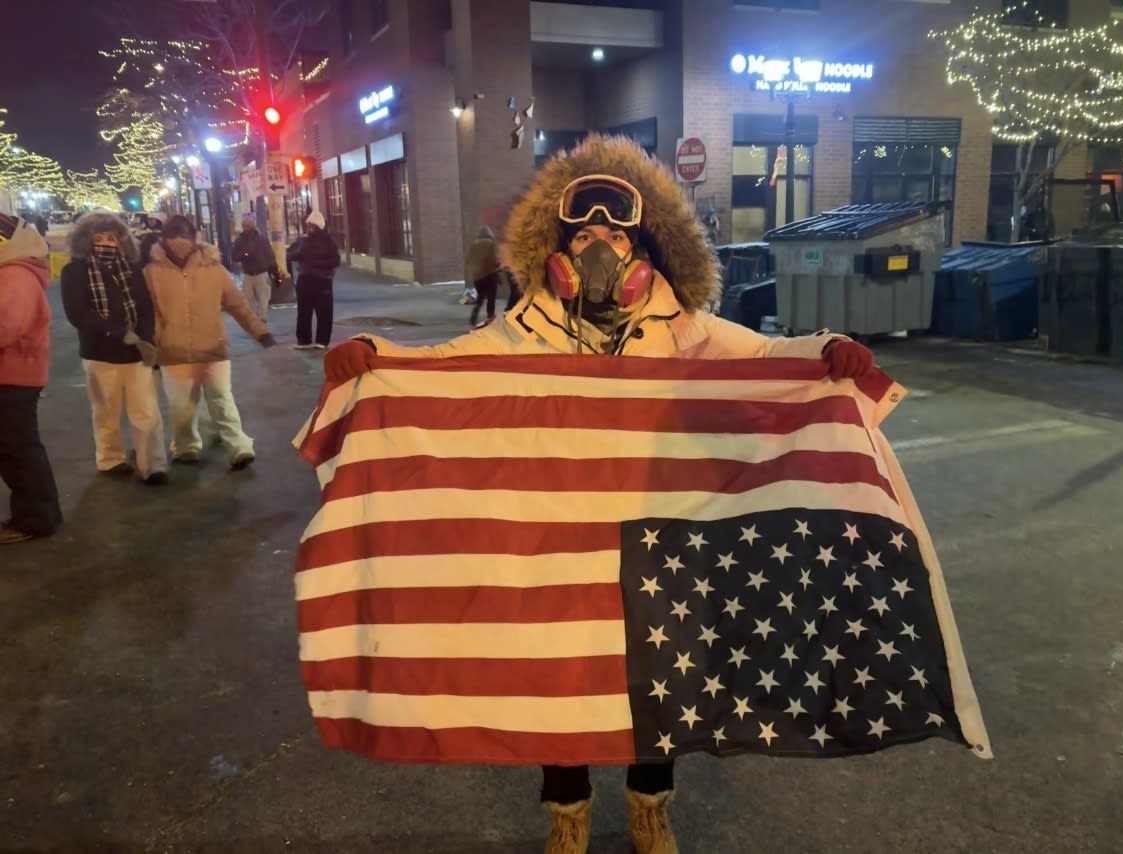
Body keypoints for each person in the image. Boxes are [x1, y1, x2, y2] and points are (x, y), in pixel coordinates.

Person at [321, 134, 875, 854]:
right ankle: (568, 812)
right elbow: (444, 367)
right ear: (557, 245)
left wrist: (826, 352)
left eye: (614, 232)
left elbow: (766, 356)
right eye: (583, 232)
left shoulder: (686, 328)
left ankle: (651, 805)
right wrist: (375, 357)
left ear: (642, 243)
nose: (599, 245)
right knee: (560, 671)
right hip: (558, 539)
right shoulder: (523, 330)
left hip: (661, 530)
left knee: (660, 672)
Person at [143, 215, 276, 470]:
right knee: (181, 408)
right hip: (173, 351)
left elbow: (237, 304)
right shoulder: (152, 272)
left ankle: (239, 446)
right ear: (164, 240)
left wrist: (259, 331)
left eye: (184, 237)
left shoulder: (214, 269)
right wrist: (155, 346)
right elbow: (150, 314)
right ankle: (186, 447)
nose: (179, 244)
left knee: (222, 401)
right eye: (173, 238)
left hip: (213, 348)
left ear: (194, 238)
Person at [60, 212, 168, 486]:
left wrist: (145, 337)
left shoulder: (132, 269)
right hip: (100, 353)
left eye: (112, 237)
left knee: (145, 410)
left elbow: (145, 306)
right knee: (106, 411)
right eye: (99, 237)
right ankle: (110, 459)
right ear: (86, 240)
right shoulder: (75, 271)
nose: (107, 242)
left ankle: (152, 464)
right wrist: (119, 332)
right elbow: (78, 313)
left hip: (136, 353)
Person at [0, 213, 63, 544]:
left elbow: (5, 326)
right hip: (15, 373)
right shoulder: (14, 272)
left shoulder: (14, 276)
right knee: (16, 448)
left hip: (14, 375)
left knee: (18, 448)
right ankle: (38, 513)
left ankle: (36, 517)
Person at [286, 211, 340, 350]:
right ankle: (315, 341)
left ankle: (310, 341)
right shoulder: (327, 241)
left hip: (313, 280)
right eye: (308, 225)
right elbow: (335, 260)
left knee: (312, 312)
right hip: (317, 281)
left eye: (311, 225)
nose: (309, 228)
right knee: (315, 313)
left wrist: (312, 262)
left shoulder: (309, 241)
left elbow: (291, 254)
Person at [231, 211, 278, 323]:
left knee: (263, 298)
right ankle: (256, 318)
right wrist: (245, 255)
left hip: (260, 272)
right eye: (244, 226)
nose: (246, 228)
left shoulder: (261, 240)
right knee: (250, 299)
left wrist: (274, 270)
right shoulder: (240, 241)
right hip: (249, 273)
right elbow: (234, 256)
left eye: (248, 226)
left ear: (252, 226)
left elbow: (269, 255)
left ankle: (261, 318)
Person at [465, 225, 500, 329]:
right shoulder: (490, 244)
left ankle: (473, 317)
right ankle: (490, 317)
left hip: (477, 277)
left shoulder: (473, 245)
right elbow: (493, 259)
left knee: (480, 297)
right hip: (489, 274)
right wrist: (498, 266)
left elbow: (468, 260)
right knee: (491, 297)